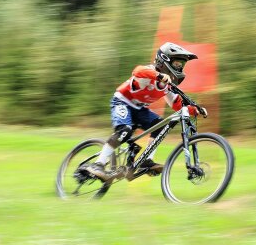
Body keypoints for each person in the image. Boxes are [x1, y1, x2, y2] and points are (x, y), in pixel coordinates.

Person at [86, 42, 208, 181]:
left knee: (160, 125)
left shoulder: (166, 86)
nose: (180, 67)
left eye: (181, 65)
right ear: (164, 60)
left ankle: (146, 161)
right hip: (122, 102)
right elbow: (137, 70)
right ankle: (98, 164)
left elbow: (176, 104)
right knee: (125, 130)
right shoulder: (149, 72)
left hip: (139, 109)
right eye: (177, 63)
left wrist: (195, 109)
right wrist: (158, 76)